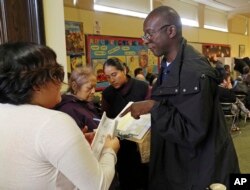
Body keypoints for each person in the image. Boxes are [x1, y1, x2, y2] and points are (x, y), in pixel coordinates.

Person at [120, 6, 240, 190]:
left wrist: (153, 107)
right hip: (181, 163)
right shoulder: (171, 64)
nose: (146, 41)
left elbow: (192, 131)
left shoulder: (194, 72)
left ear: (171, 31)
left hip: (201, 171)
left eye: (150, 34)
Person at [0, 42, 120, 190]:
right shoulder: (53, 122)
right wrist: (109, 150)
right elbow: (98, 186)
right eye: (56, 74)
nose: (60, 83)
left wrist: (74, 144)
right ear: (36, 83)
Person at [102, 57, 151, 190]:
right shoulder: (107, 94)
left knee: (145, 181)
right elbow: (106, 120)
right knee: (125, 181)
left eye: (114, 74)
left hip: (142, 145)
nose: (112, 79)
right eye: (108, 77)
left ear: (123, 70)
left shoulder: (142, 87)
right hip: (121, 146)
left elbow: (152, 112)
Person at [54, 67, 100, 132]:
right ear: (74, 86)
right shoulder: (68, 109)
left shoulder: (85, 101)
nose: (93, 91)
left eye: (94, 87)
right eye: (89, 88)